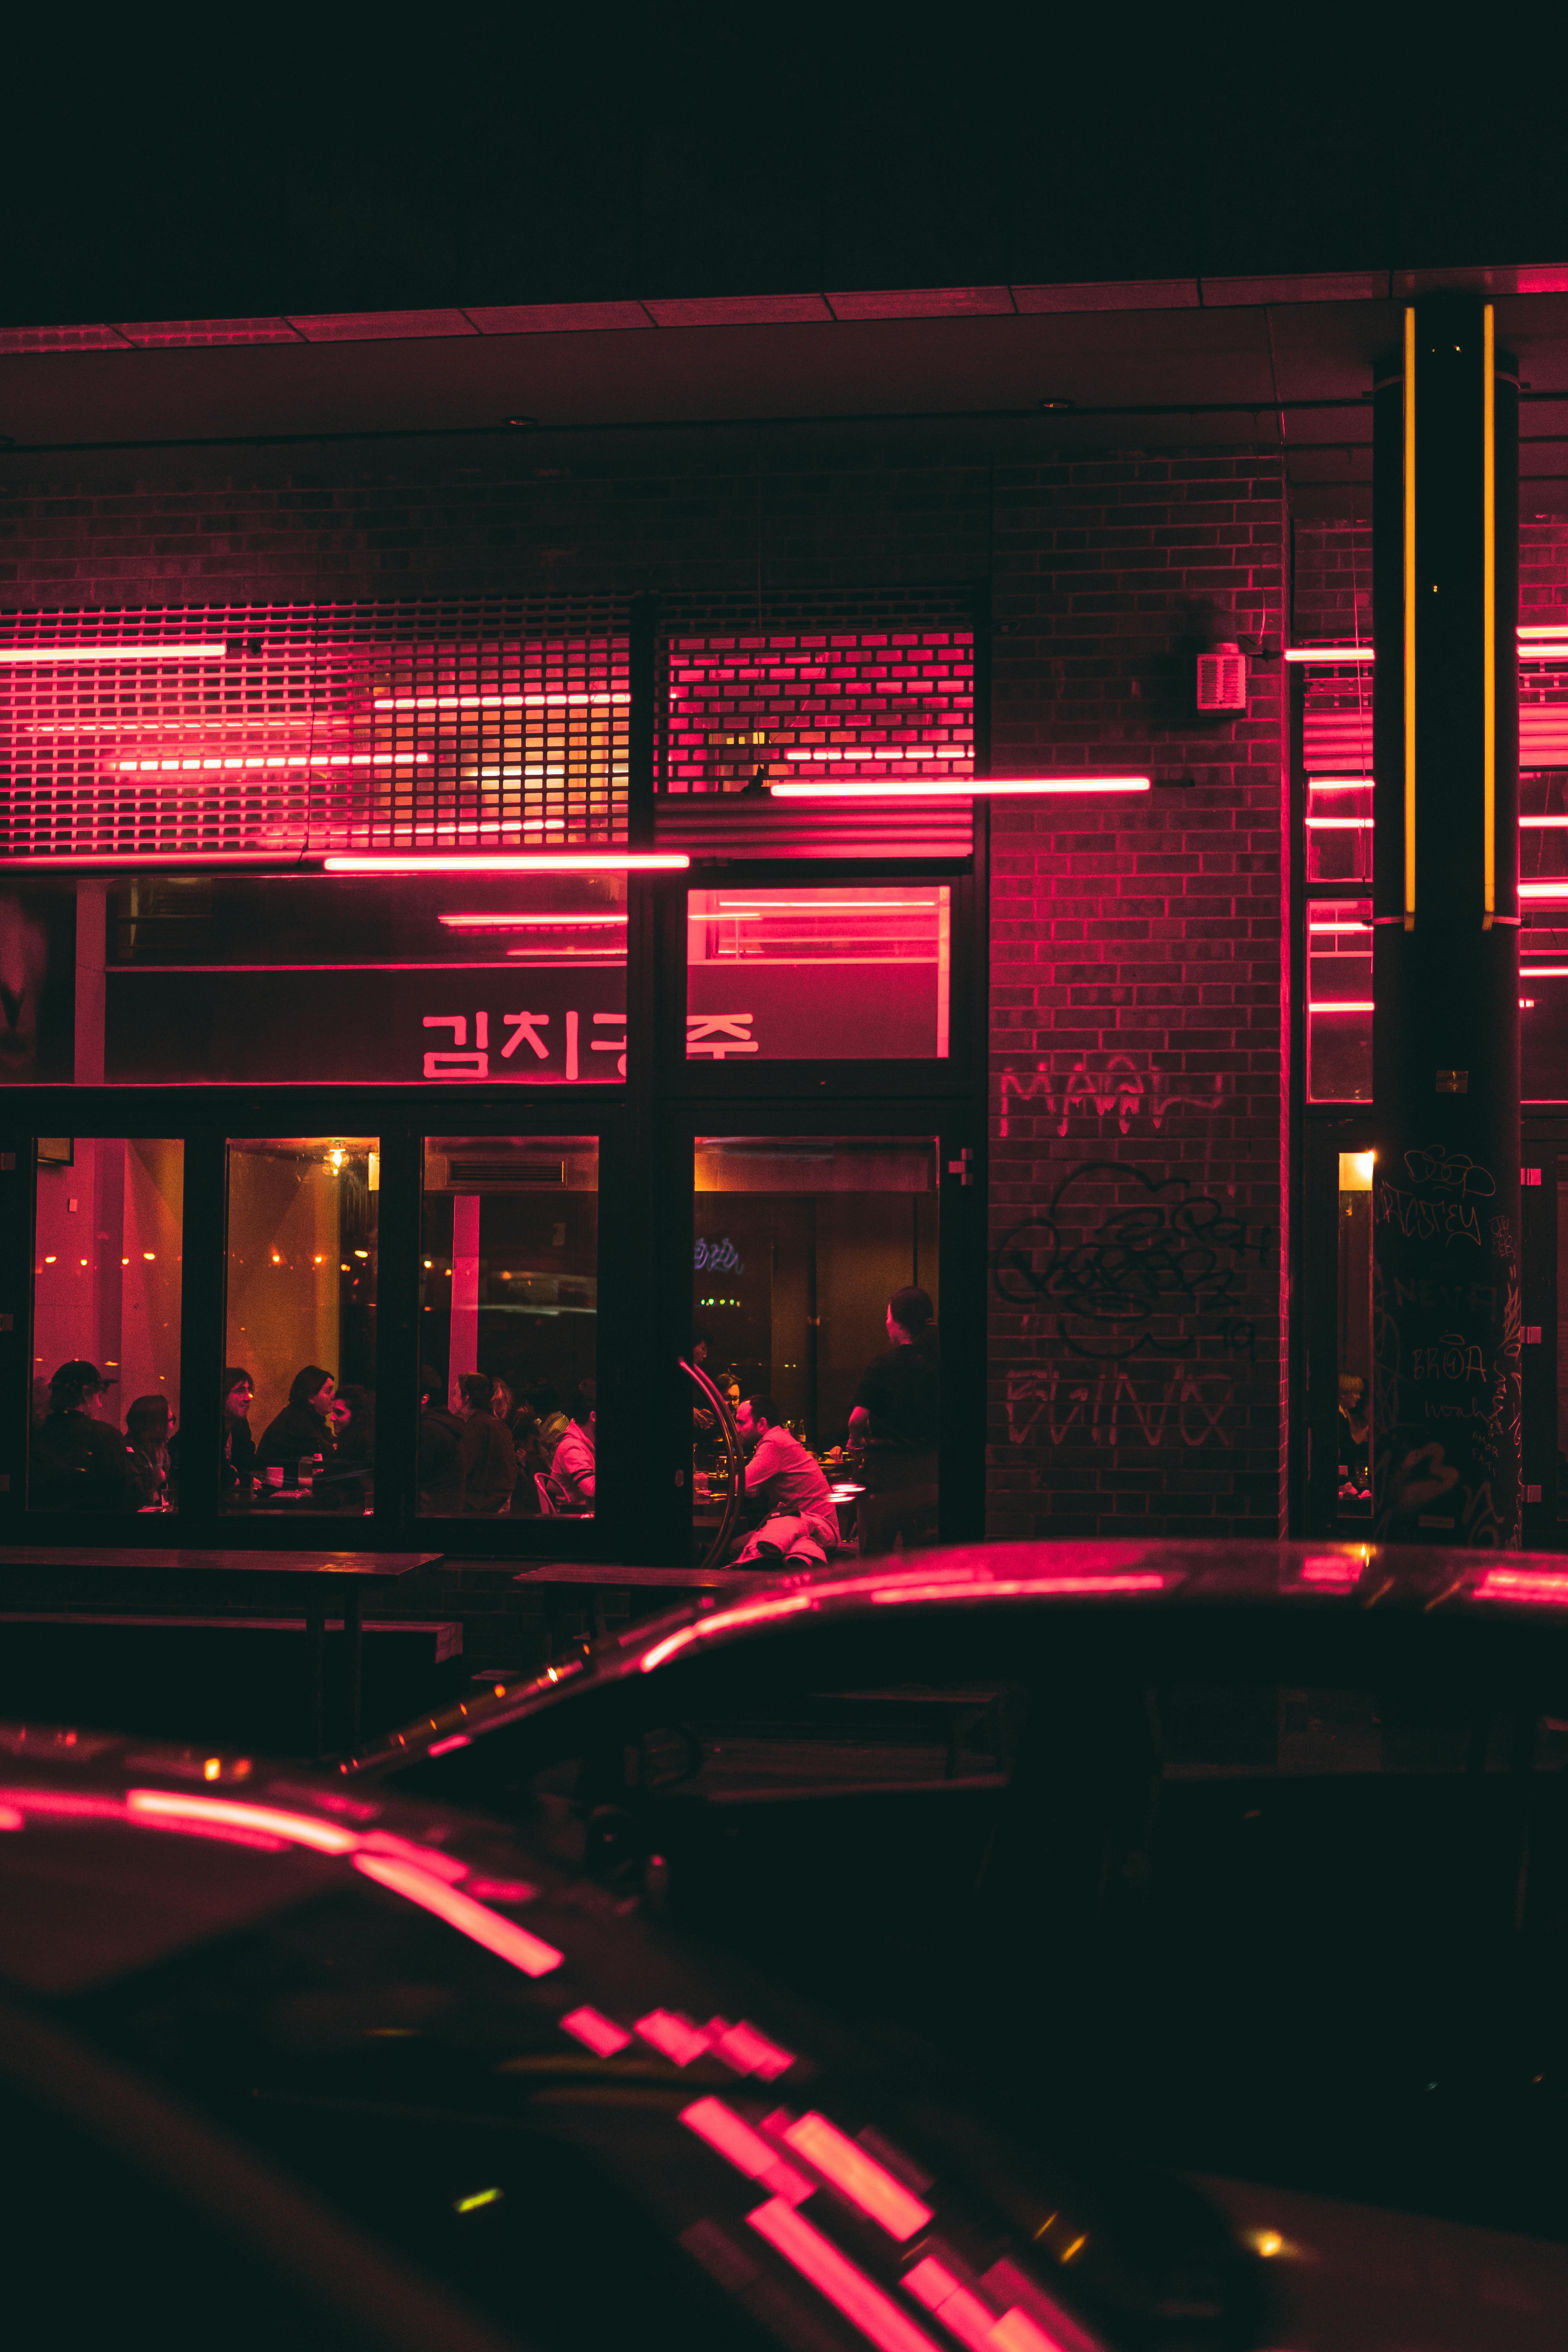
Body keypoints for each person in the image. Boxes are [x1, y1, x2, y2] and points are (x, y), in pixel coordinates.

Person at [848, 1287, 940, 1556]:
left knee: (875, 1557)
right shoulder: (941, 1362)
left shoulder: (883, 1365)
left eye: (888, 1317)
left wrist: (856, 1441)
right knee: (922, 1557)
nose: (886, 1323)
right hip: (929, 1473)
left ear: (898, 1322)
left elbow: (857, 1419)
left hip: (885, 1478)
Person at [732, 1394, 837, 1565]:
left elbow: (741, 1486)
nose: (737, 1428)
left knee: (733, 1549)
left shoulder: (774, 1443)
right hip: (812, 1526)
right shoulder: (779, 1439)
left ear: (762, 1424)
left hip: (815, 1530)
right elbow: (750, 1489)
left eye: (741, 1422)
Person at [30, 1360, 133, 1512]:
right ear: (85, 1393)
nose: (100, 1405)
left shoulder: (34, 1434)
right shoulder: (104, 1436)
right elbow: (128, 1494)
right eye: (98, 1396)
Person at [255, 1365, 338, 1486]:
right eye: (328, 1391)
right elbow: (326, 1454)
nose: (334, 1395)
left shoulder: (313, 1420)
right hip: (274, 1496)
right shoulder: (296, 1421)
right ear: (310, 1397)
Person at [455, 1372, 517, 1514]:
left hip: (477, 1509)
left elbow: (463, 1469)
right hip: (496, 1506)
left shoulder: (476, 1427)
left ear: (466, 1397)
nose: (453, 1399)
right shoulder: (497, 1425)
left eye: (455, 1393)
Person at [418, 1365, 466, 1514]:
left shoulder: (429, 1429)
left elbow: (414, 1474)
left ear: (424, 1399)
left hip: (429, 1515)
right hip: (447, 1513)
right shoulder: (445, 1424)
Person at [548, 1379, 596, 1511]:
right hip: (573, 1518)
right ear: (594, 1416)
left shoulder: (587, 1443)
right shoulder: (572, 1446)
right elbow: (589, 1488)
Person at [124, 1394, 173, 1511]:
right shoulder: (130, 1454)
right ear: (156, 1425)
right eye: (171, 1419)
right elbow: (134, 1498)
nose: (172, 1425)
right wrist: (156, 1477)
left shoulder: (160, 1451)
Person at [221, 1367, 256, 1500]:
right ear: (222, 1394)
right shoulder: (205, 1428)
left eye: (249, 1391)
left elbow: (247, 1465)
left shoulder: (240, 1426)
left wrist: (235, 1474)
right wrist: (232, 1474)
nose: (249, 1398)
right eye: (241, 1391)